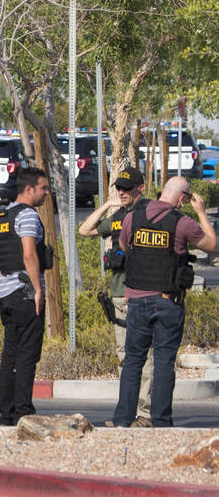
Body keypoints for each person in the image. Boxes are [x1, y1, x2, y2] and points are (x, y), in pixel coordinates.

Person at [111, 176, 217, 428]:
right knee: (163, 364)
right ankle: (160, 422)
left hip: (136, 299)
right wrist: (201, 212)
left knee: (133, 361)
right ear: (182, 198)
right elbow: (212, 245)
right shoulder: (182, 222)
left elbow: (124, 245)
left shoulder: (132, 217)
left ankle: (123, 419)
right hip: (167, 301)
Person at [77, 166, 153, 424]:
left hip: (141, 293)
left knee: (145, 356)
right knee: (124, 356)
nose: (122, 192)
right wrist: (107, 205)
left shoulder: (148, 212)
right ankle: (127, 412)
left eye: (126, 188)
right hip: (119, 293)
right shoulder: (118, 217)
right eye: (119, 188)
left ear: (140, 188)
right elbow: (85, 230)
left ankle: (145, 413)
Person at [0, 166, 51, 426]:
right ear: (29, 189)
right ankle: (23, 412)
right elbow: (28, 254)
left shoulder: (2, 217)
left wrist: (3, 283)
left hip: (7, 294)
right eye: (43, 188)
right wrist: (37, 290)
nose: (46, 193)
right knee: (27, 355)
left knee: (10, 355)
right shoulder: (28, 216)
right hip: (25, 294)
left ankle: (7, 413)